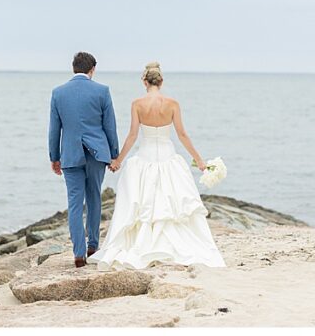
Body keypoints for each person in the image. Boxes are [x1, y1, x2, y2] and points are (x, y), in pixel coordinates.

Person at [88, 62, 225, 270]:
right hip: (168, 156)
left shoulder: (137, 104)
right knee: (172, 201)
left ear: (144, 81)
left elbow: (133, 135)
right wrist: (199, 160)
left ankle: (144, 244)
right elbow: (182, 134)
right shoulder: (172, 103)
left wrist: (118, 161)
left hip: (144, 156)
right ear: (161, 81)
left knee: (142, 201)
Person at [48, 52, 119, 268]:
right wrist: (114, 154)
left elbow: (54, 130)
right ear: (92, 69)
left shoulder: (58, 93)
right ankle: (93, 246)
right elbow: (110, 126)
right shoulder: (102, 91)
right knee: (94, 199)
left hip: (70, 155)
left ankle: (79, 254)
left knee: (75, 204)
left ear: (73, 68)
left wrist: (54, 157)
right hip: (97, 154)